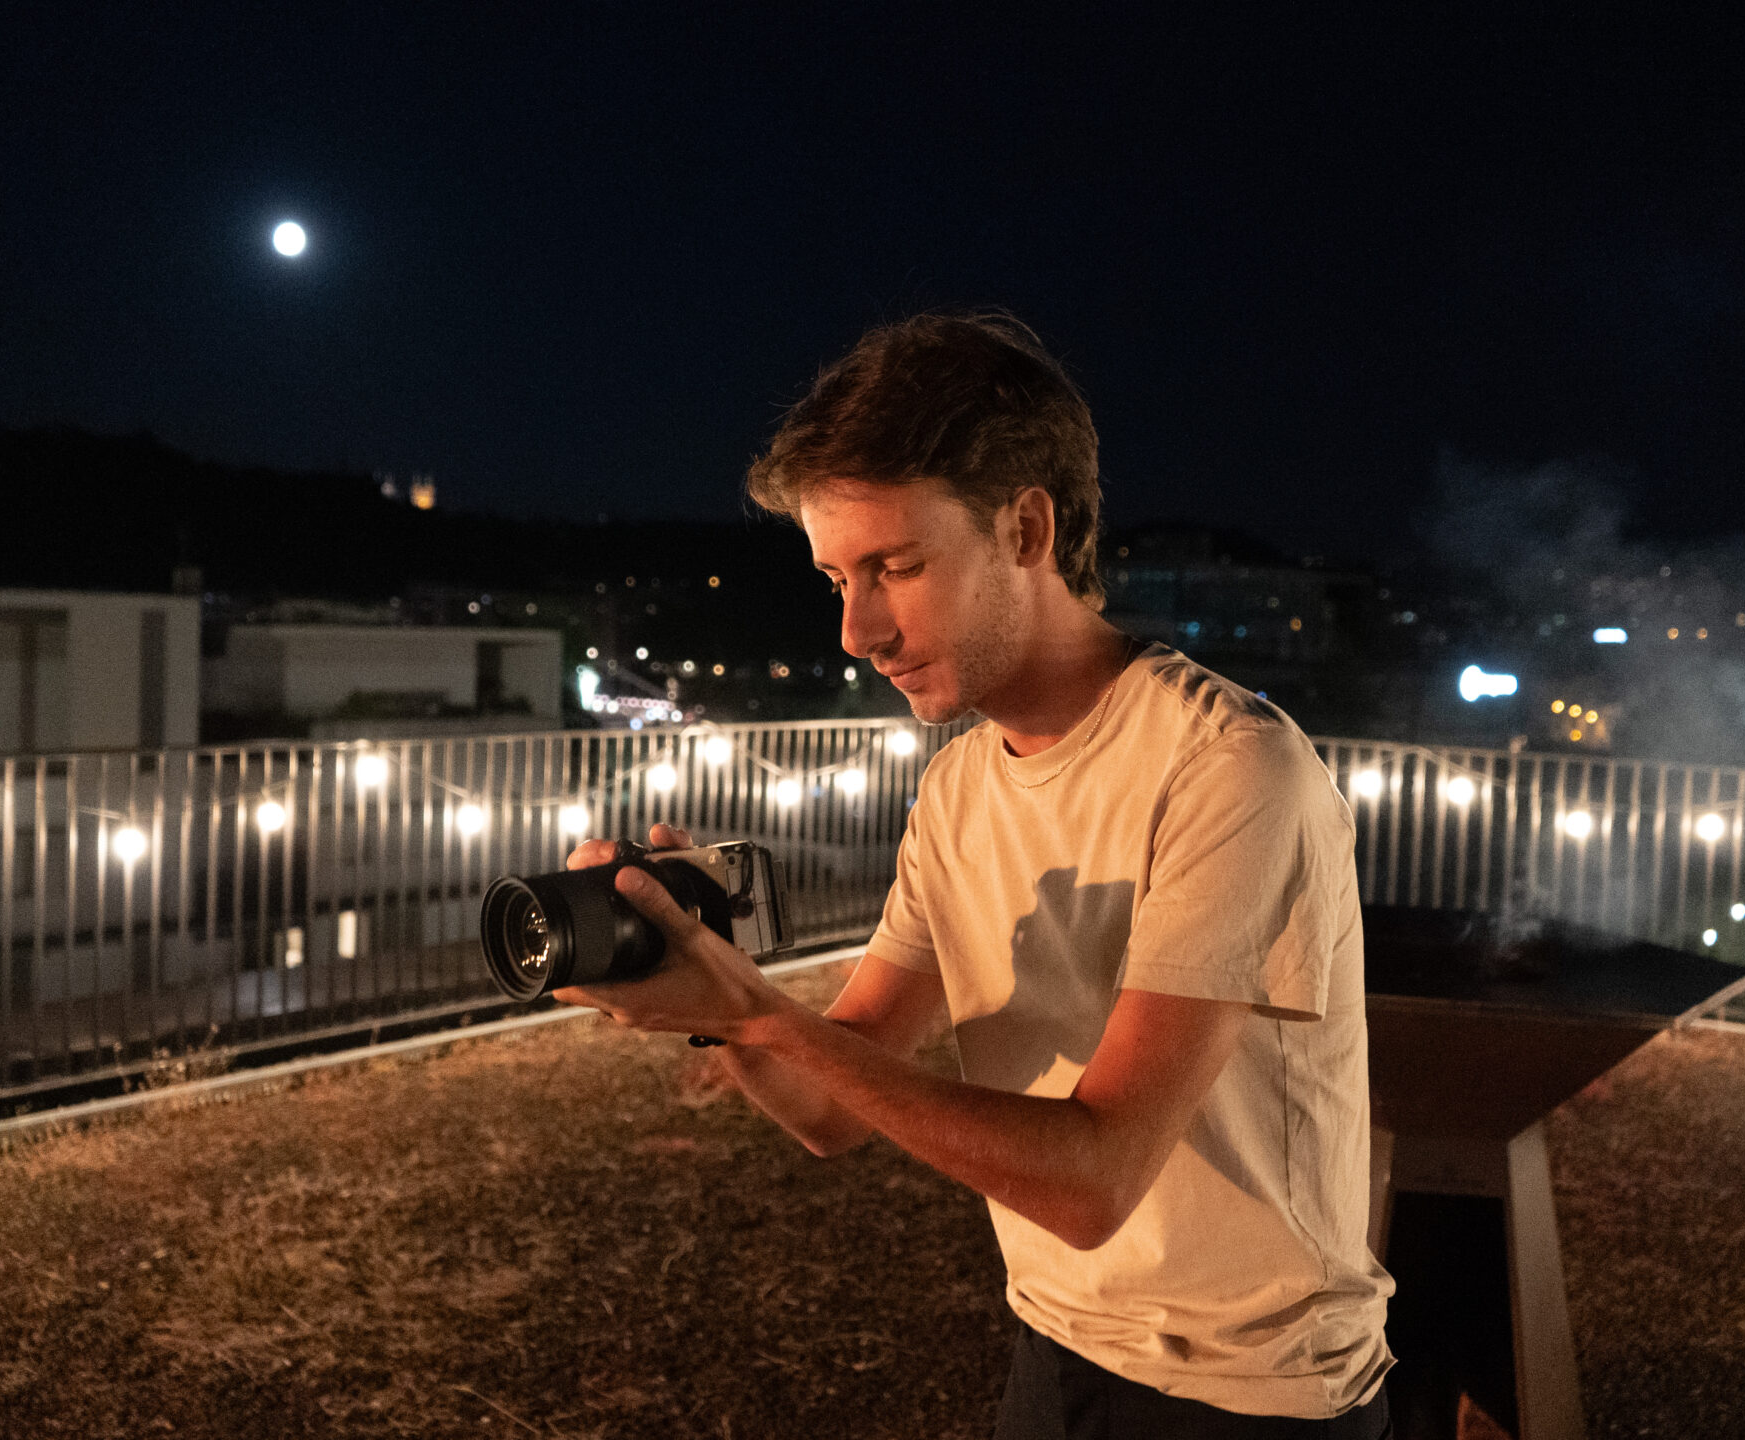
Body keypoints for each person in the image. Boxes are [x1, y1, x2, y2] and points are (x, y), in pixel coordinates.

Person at [560, 312, 1393, 1439]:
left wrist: (761, 1015)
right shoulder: (959, 790)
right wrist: (704, 984)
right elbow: (827, 1109)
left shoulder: (1227, 767)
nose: (856, 630)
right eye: (836, 578)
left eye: (895, 568)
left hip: (1255, 1394)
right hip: (1053, 1346)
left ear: (1027, 529)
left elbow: (1095, 1182)